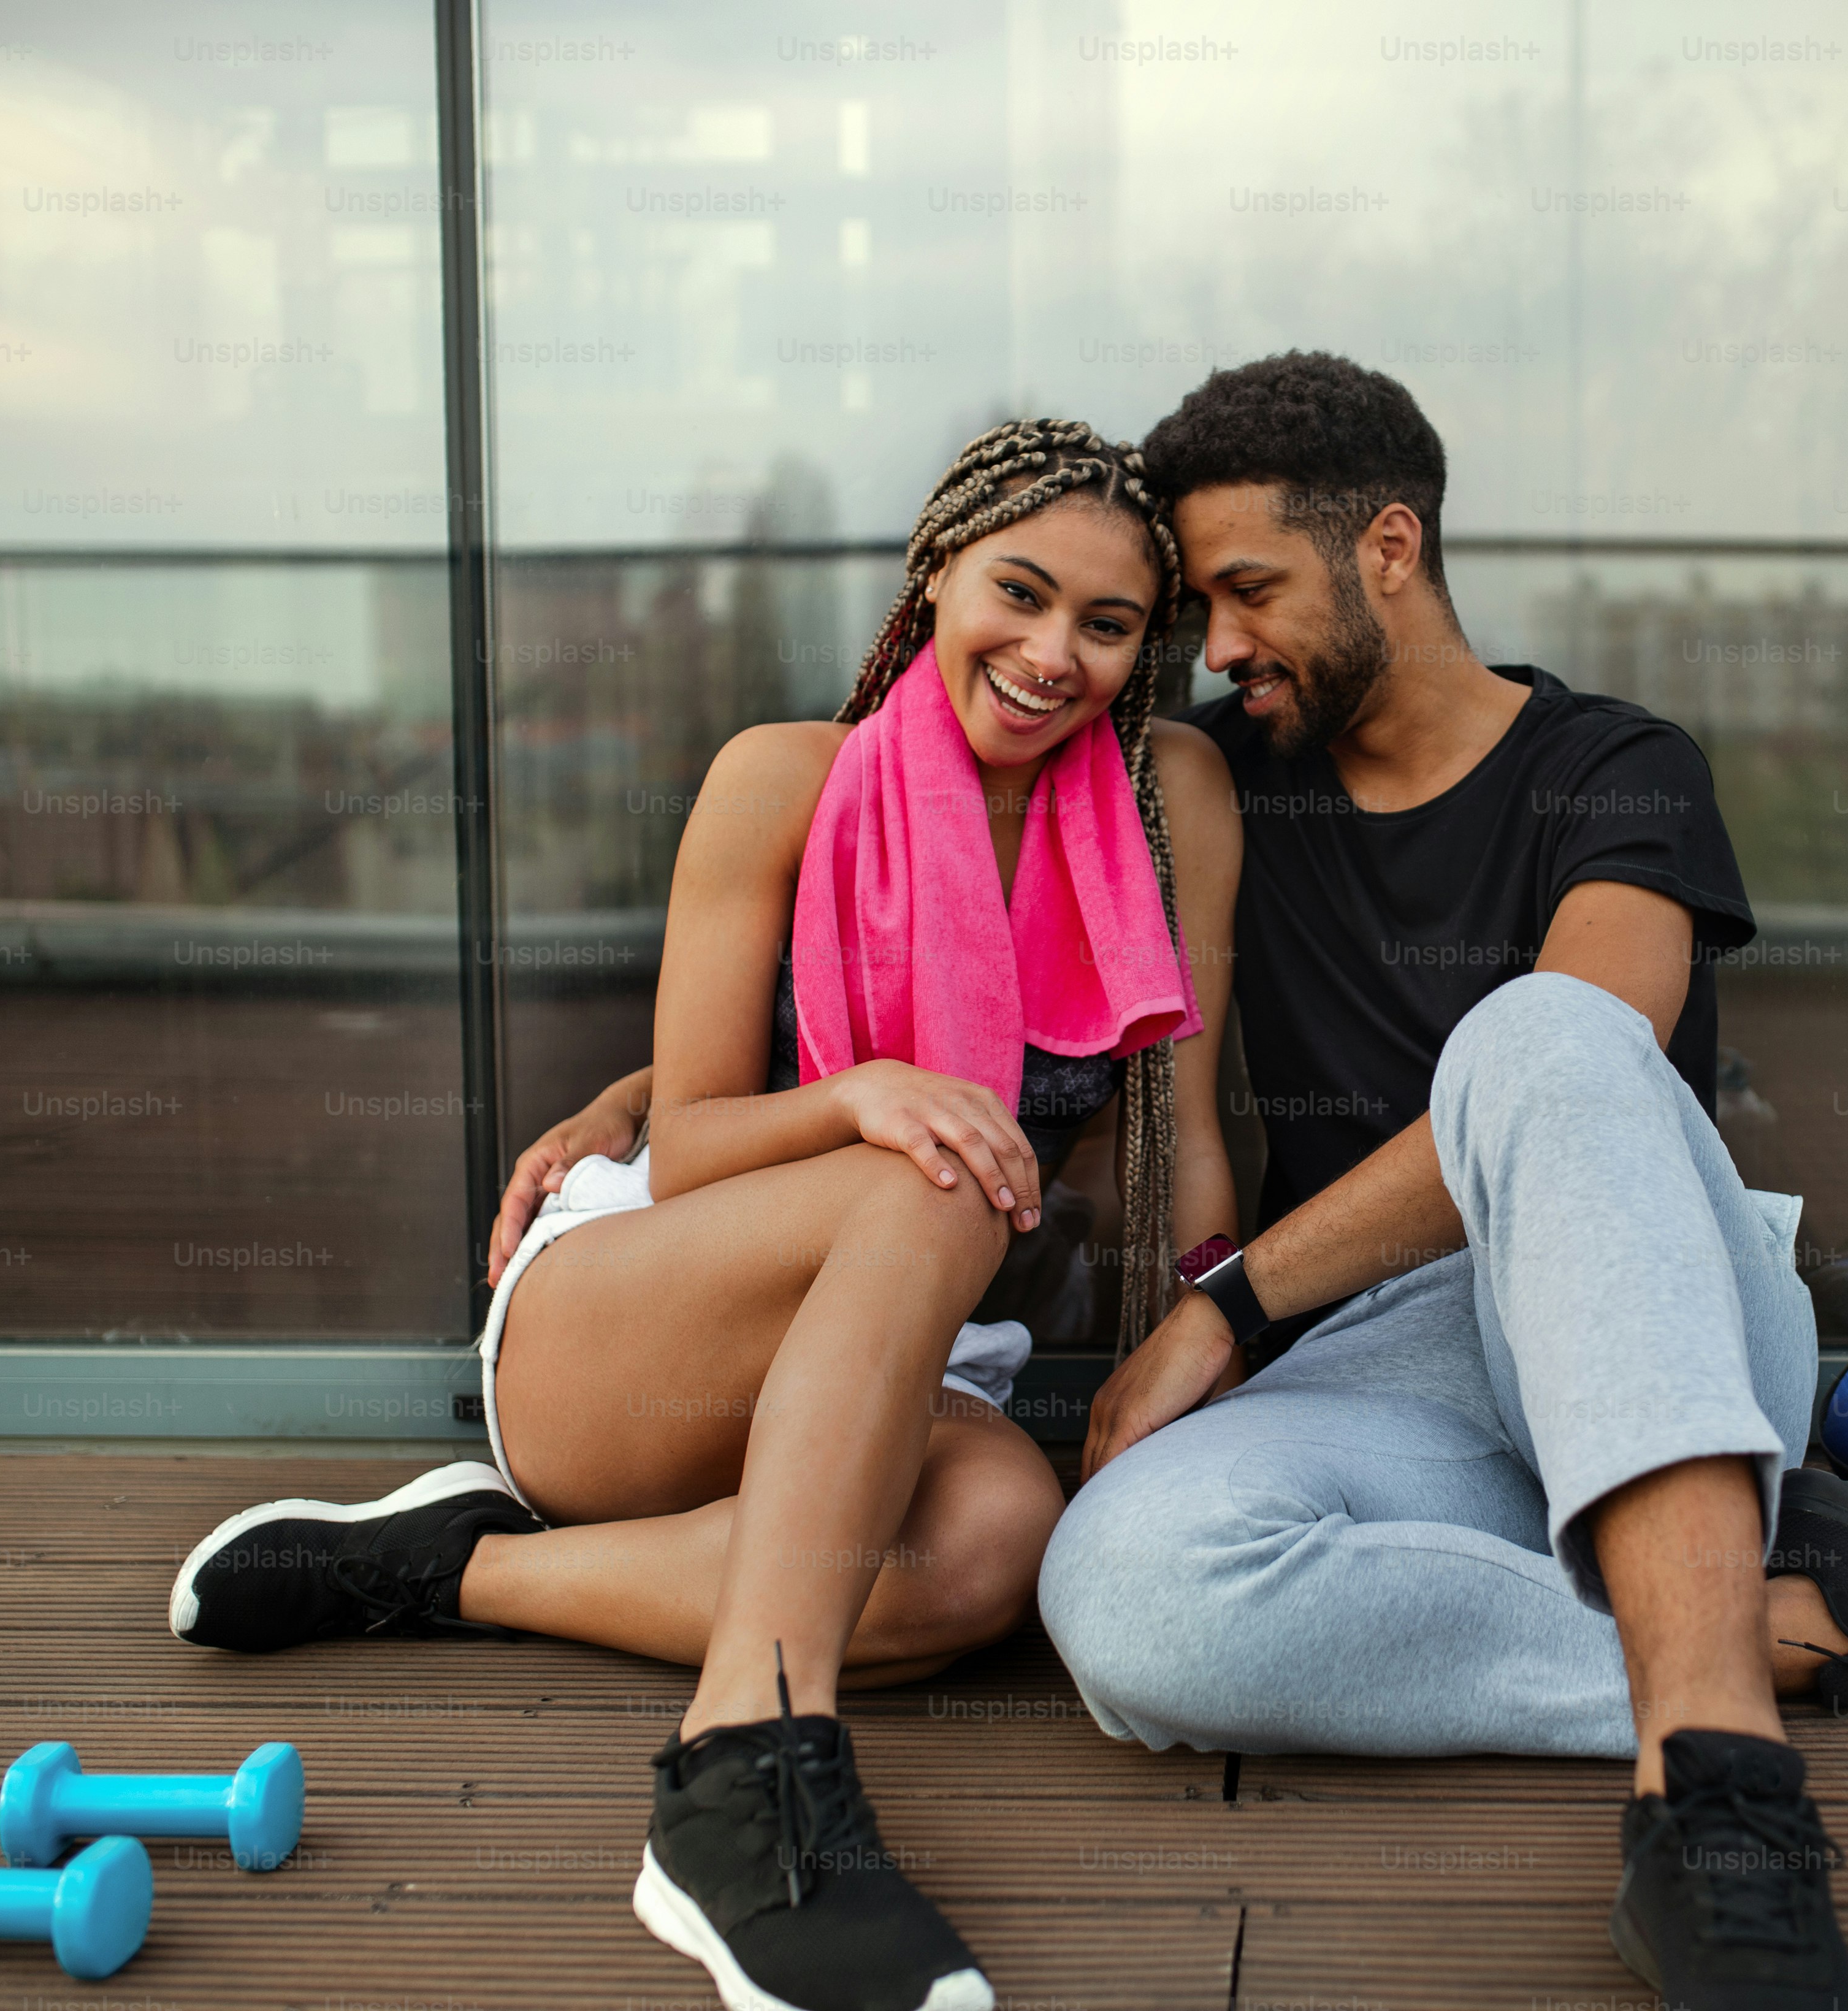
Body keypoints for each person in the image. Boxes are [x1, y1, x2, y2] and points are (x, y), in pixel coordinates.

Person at [1034, 354, 1848, 2011]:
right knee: (1121, 1591)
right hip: (1396, 1368)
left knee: (1538, 1037)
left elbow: (1601, 1037)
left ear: (1388, 548)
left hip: (1642, 1299)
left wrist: (1226, 1307)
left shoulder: (1616, 766)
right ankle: (1783, 1613)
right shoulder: (1223, 779)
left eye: (1248, 592)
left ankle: (1719, 1802)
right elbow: (921, 837)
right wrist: (664, 1080)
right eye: (1202, 612)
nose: (1217, 647)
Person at [164, 420, 1243, 2011]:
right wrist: (861, 1094)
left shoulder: (1172, 805)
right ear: (936, 575)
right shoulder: (782, 780)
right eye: (1019, 593)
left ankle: (447, 1569)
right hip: (636, 1329)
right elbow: (696, 1143)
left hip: (911, 1344)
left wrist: (1211, 1349)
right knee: (933, 1164)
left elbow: (1189, 1141)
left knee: (987, 1554)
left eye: (1109, 624)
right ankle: (742, 1779)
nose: (1054, 654)